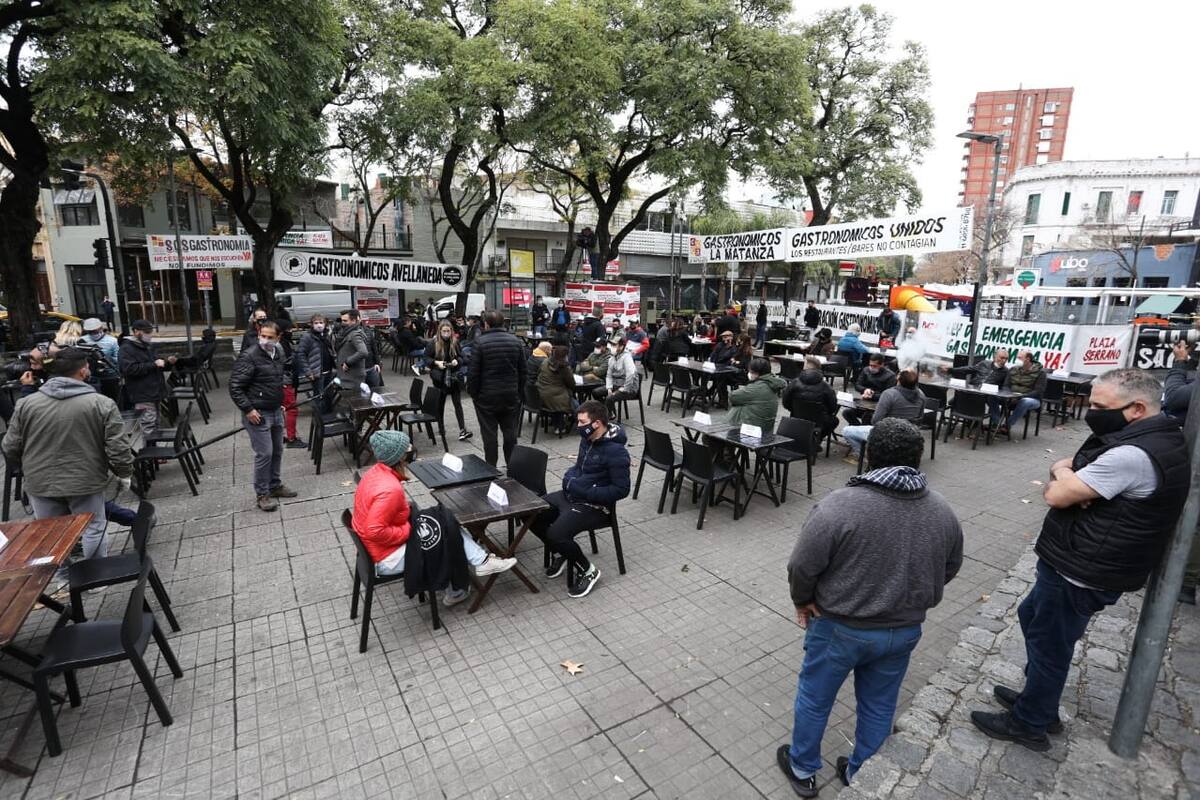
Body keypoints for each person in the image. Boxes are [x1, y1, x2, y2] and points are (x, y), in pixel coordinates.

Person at [970, 369, 1189, 751]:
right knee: (1034, 621)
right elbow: (1069, 468)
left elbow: (1056, 495)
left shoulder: (1133, 454)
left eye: (1100, 406)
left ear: (1137, 408)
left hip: (1082, 569)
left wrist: (1065, 477)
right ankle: (1039, 699)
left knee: (1050, 643)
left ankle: (1031, 722)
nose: (1091, 412)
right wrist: (1067, 473)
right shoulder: (1147, 436)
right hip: (1080, 560)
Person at [779, 419, 963, 794]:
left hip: (839, 628)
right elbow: (951, 566)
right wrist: (909, 595)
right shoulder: (942, 511)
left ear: (869, 455)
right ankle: (862, 772)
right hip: (903, 630)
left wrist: (803, 600)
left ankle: (802, 768)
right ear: (917, 459)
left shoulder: (839, 506)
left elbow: (802, 566)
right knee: (880, 705)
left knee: (815, 698)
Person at [2, 347, 136, 579]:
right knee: (93, 527)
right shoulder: (101, 403)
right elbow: (117, 447)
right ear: (83, 370)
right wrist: (124, 473)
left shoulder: (27, 404)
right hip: (85, 479)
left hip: (40, 481)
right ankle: (95, 576)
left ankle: (62, 579)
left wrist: (29, 466)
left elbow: (10, 446)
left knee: (51, 533)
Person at [353, 429, 514, 606]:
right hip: (384, 556)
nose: (411, 448)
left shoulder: (375, 473)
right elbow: (374, 530)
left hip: (376, 548)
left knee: (443, 517)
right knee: (442, 535)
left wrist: (404, 512)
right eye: (406, 447)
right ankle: (459, 587)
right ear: (399, 457)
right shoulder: (390, 489)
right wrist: (406, 530)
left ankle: (480, 561)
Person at [530, 401, 630, 598]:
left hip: (596, 507)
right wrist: (569, 477)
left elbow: (621, 490)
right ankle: (562, 553)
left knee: (557, 534)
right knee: (533, 512)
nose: (578, 425)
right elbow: (578, 468)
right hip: (573, 495)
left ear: (598, 423)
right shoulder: (587, 440)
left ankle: (587, 570)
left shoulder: (616, 452)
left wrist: (588, 492)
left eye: (582, 422)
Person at [229, 320, 298, 512]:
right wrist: (248, 409)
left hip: (275, 409)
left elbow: (276, 378)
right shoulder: (249, 356)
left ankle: (275, 485)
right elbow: (235, 387)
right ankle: (262, 494)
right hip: (257, 412)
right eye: (262, 335)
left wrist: (281, 401)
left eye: (270, 337)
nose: (265, 340)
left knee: (277, 450)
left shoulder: (279, 352)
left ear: (278, 337)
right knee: (264, 453)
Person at [468, 310, 527, 466]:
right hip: (510, 395)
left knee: (489, 435)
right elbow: (523, 371)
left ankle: (491, 467)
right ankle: (512, 466)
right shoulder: (516, 341)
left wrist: (474, 394)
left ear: (486, 324)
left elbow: (473, 374)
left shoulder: (480, 343)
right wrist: (519, 393)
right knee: (510, 434)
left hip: (487, 397)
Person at [841, 368, 927, 463]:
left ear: (898, 380)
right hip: (910, 435)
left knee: (847, 431)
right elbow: (920, 418)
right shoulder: (922, 395)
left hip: (887, 434)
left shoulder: (890, 394)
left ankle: (870, 457)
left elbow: (876, 420)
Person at [120, 319, 176, 437]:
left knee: (156, 423)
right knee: (148, 426)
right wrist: (154, 364)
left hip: (154, 391)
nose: (149, 334)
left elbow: (156, 363)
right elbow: (129, 369)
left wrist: (167, 362)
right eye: (146, 332)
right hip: (142, 393)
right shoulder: (127, 348)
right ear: (136, 332)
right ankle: (151, 453)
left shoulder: (147, 346)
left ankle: (155, 453)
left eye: (150, 331)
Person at [428, 319, 473, 442]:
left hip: (453, 376)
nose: (446, 333)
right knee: (440, 404)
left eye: (448, 331)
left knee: (457, 403)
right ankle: (441, 429)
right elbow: (426, 358)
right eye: (444, 331)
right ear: (440, 331)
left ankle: (462, 429)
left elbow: (463, 357)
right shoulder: (434, 343)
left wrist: (457, 361)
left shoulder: (455, 342)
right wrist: (436, 362)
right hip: (440, 378)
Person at [783, 356, 838, 440]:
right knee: (834, 421)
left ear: (805, 368)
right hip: (819, 422)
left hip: (796, 417)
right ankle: (816, 441)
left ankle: (808, 440)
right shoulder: (826, 386)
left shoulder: (794, 383)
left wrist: (795, 409)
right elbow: (832, 408)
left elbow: (785, 402)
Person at [993, 350, 1046, 434]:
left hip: (1031, 399)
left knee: (1024, 401)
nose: (1017, 359)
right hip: (1011, 397)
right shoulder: (1013, 369)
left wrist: (1021, 396)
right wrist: (1008, 394)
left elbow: (1038, 391)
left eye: (1019, 358)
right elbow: (1006, 385)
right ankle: (996, 423)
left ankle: (1007, 425)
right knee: (991, 397)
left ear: (1027, 359)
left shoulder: (1040, 373)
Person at [726, 357, 786, 431]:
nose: (749, 374)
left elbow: (733, 397)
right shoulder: (771, 382)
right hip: (766, 426)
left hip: (752, 429)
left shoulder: (756, 387)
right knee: (744, 402)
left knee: (738, 406)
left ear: (756, 373)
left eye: (750, 371)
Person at [842, 354, 896, 426]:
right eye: (870, 365)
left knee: (867, 417)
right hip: (864, 401)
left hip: (878, 404)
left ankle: (861, 432)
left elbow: (888, 395)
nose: (872, 368)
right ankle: (858, 430)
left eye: (875, 366)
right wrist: (865, 390)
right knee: (847, 412)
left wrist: (872, 396)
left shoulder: (890, 376)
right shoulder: (866, 370)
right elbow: (857, 385)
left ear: (882, 364)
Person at [599, 334, 640, 416]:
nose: (611, 347)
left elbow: (631, 374)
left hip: (629, 388)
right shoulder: (612, 358)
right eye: (611, 345)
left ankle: (606, 417)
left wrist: (625, 388)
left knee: (609, 398)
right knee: (596, 392)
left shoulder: (627, 357)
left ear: (621, 346)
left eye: (614, 345)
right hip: (616, 384)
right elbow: (609, 375)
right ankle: (609, 412)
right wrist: (609, 387)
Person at [297, 314, 335, 398]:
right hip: (316, 373)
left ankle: (328, 410)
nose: (319, 325)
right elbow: (301, 355)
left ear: (325, 324)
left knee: (329, 395)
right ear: (312, 324)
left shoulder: (326, 335)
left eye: (321, 322)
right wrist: (308, 372)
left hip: (329, 371)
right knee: (318, 396)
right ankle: (319, 410)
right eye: (316, 323)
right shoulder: (307, 337)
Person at [334, 309, 370, 396]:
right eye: (342, 320)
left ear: (353, 321)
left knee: (354, 403)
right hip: (347, 377)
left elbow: (363, 352)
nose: (342, 323)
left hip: (353, 377)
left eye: (345, 321)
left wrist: (348, 362)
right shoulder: (347, 332)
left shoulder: (354, 334)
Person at [537, 344, 577, 423]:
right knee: (577, 407)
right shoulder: (564, 367)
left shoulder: (545, 362)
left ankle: (557, 424)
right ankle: (578, 422)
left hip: (542, 395)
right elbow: (572, 384)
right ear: (565, 356)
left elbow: (538, 374)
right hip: (558, 399)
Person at [524, 341, 552, 405]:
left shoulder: (532, 356)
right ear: (546, 350)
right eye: (550, 350)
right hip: (537, 395)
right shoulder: (544, 361)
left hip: (528, 392)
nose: (551, 352)